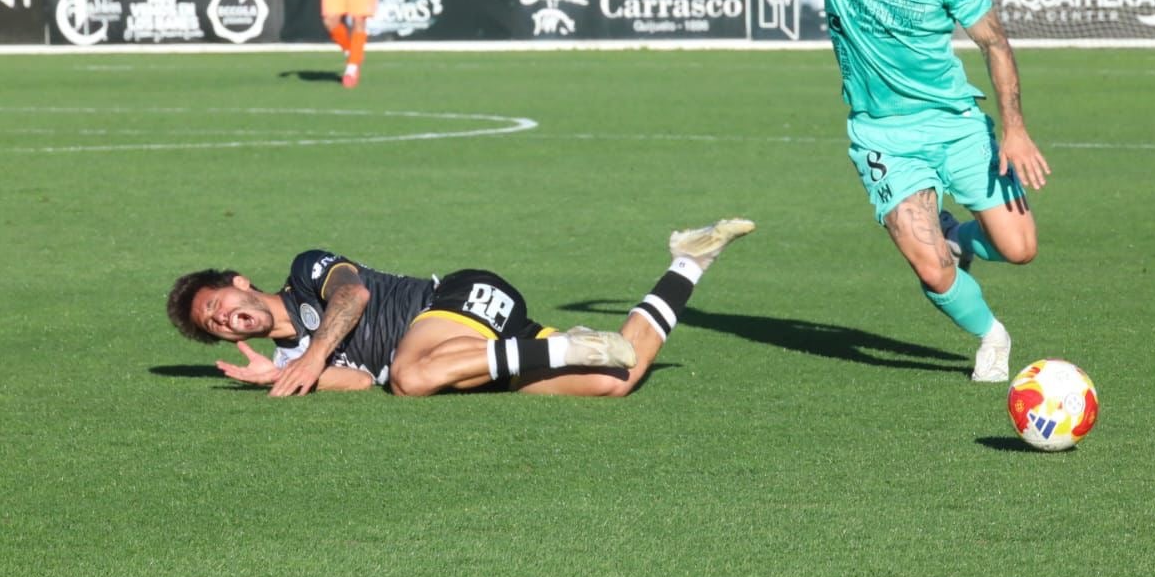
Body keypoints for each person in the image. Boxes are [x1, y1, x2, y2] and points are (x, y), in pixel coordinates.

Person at [742, 0, 1049, 381]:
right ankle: (991, 335)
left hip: (956, 123)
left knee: (1020, 248)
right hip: (884, 135)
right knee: (931, 269)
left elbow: (995, 44)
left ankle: (959, 237)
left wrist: (1013, 128)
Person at [167, 218, 755, 398]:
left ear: (242, 283)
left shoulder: (307, 271)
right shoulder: (292, 354)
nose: (224, 318)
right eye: (213, 325)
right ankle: (690, 263)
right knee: (617, 380)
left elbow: (354, 296)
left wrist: (311, 353)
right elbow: (356, 384)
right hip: (479, 353)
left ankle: (571, 343)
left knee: (410, 376)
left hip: (460, 298)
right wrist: (288, 374)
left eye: (219, 303)